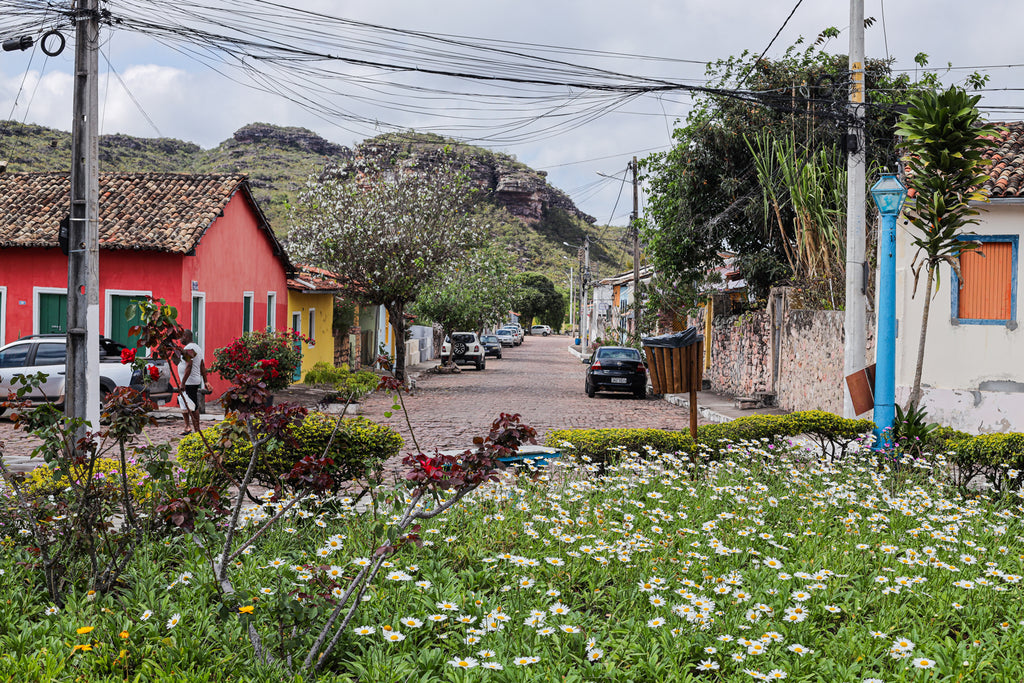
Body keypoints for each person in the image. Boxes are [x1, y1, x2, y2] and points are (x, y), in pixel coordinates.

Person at [177, 329, 209, 434]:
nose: (180, 340)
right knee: (184, 402)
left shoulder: (189, 348)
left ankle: (197, 429)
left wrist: (183, 383)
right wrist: (206, 381)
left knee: (193, 405)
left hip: (189, 382)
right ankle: (187, 426)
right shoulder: (197, 348)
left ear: (186, 336)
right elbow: (202, 365)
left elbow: (189, 366)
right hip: (191, 380)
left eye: (181, 337)